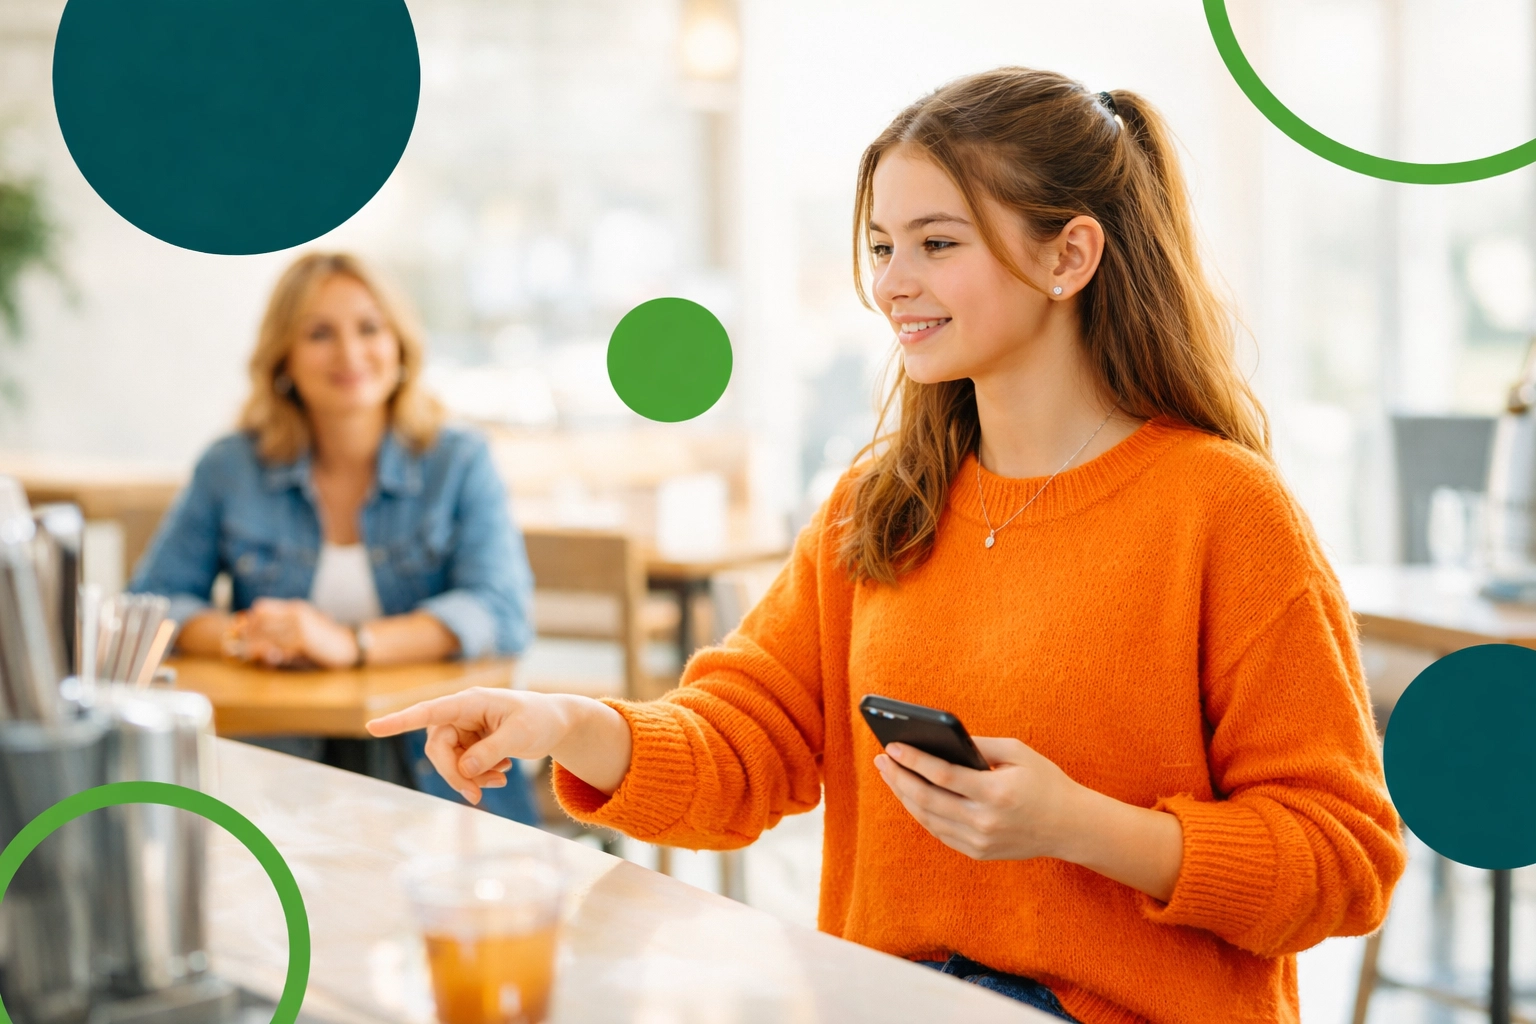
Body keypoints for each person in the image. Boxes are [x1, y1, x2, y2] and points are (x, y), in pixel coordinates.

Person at [366, 69, 1406, 1022]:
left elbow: (1347, 859)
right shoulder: (881, 502)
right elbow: (742, 741)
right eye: (880, 245)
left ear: (1070, 254)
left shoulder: (1222, 508)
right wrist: (561, 721)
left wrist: (1079, 826)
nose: (892, 282)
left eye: (938, 243)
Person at [131, 252, 538, 826]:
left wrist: (350, 644)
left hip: (437, 770)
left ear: (399, 345)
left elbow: (500, 610)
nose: (350, 354)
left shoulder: (459, 461)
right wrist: (249, 635)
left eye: (369, 328)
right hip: (272, 771)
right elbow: (149, 606)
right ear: (284, 358)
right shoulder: (230, 467)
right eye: (320, 333)